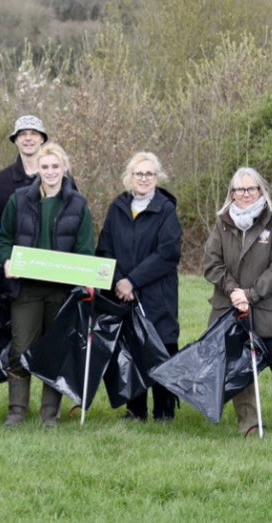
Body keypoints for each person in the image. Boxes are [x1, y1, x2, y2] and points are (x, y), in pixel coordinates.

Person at [0, 142, 94, 427]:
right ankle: (17, 410)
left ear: (64, 169)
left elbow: (86, 249)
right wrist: (7, 262)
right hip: (26, 290)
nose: (50, 172)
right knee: (20, 348)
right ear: (37, 169)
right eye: (45, 167)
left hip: (61, 292)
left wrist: (81, 278)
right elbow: (4, 239)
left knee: (55, 352)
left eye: (55, 166)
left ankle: (49, 414)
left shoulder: (79, 204)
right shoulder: (19, 200)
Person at [96, 152, 182, 422]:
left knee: (161, 348)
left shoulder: (165, 209)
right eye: (138, 174)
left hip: (158, 294)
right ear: (129, 177)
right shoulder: (118, 207)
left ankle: (164, 411)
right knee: (131, 349)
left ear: (158, 178)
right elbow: (104, 250)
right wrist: (120, 282)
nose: (144, 178)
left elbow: (168, 253)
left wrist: (133, 280)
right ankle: (135, 410)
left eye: (149, 174)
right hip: (124, 295)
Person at [203, 167, 272, 437]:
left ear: (261, 191)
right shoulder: (222, 221)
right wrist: (233, 291)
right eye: (240, 190)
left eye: (251, 189)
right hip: (231, 307)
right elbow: (211, 264)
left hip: (271, 309)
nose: (246, 194)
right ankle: (250, 425)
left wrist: (251, 294)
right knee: (239, 366)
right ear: (232, 194)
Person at [0, 115, 49, 224]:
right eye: (22, 134)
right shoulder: (2, 180)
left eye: (34, 133)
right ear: (16, 140)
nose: (28, 138)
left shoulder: (58, 177)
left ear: (42, 139)